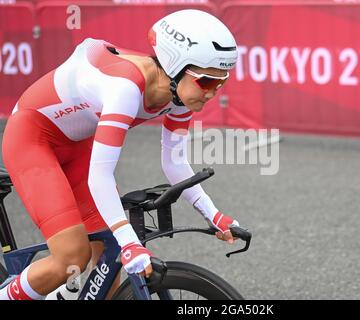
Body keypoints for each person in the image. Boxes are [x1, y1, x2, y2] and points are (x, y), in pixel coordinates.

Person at [0, 9, 239, 300]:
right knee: (71, 258)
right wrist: (130, 243)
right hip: (32, 141)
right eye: (206, 82)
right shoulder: (124, 88)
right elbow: (99, 177)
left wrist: (215, 216)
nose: (212, 92)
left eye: (220, 82)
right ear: (175, 66)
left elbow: (174, 162)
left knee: (106, 259)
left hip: (77, 144)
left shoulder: (180, 94)